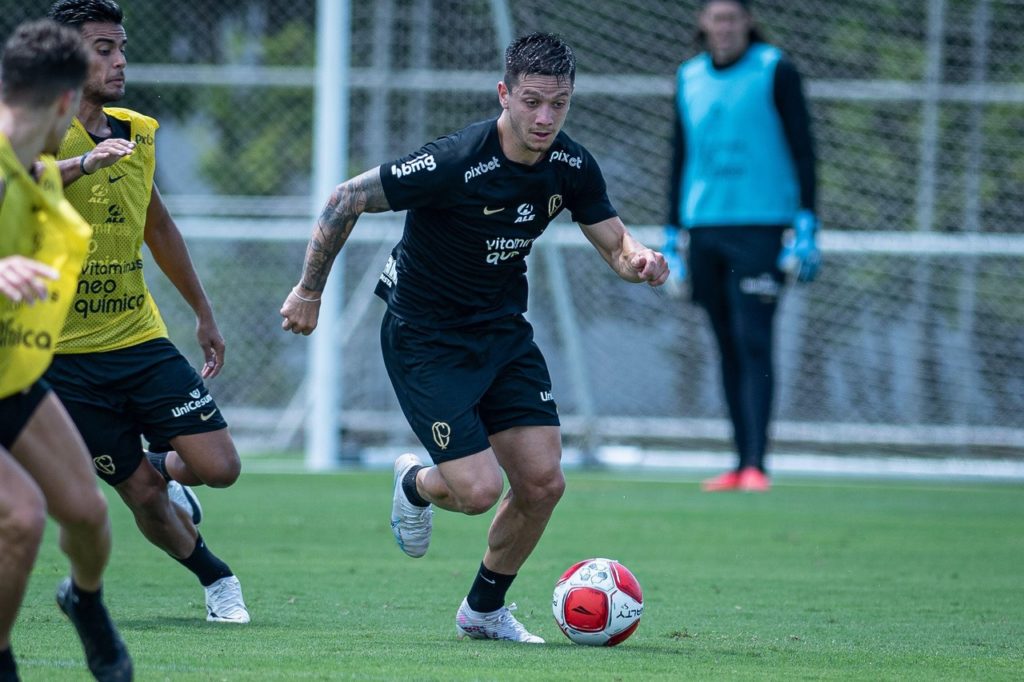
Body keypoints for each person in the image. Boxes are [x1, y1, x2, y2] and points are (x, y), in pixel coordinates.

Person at [281, 32, 668, 643]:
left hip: (503, 336)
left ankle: (483, 611)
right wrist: (308, 290)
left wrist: (642, 259)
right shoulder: (454, 161)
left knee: (543, 484)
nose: (545, 118)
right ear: (504, 94)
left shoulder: (571, 166)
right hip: (425, 339)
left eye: (558, 104)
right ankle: (414, 483)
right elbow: (347, 196)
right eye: (532, 101)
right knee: (479, 491)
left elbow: (617, 245)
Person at [44, 0, 249, 623]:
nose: (119, 60)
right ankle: (218, 581)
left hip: (139, 341)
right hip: (63, 360)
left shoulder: (135, 132)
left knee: (221, 468)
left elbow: (158, 226)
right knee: (141, 495)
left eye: (121, 47)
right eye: (103, 48)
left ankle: (161, 461)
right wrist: (82, 164)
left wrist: (204, 314)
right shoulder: (32, 130)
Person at [0, 18, 132, 681]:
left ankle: (85, 601)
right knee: (21, 516)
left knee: (86, 512)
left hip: (10, 377)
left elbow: (51, 168)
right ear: (60, 103)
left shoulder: (34, 169)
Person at [664, 0, 820, 493]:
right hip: (704, 227)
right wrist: (671, 234)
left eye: (733, 18)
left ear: (747, 22)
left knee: (755, 340)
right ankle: (738, 463)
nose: (725, 27)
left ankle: (757, 464)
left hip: (761, 226)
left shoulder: (776, 69)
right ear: (703, 24)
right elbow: (678, 156)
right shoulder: (688, 77)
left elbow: (803, 147)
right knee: (726, 343)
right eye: (716, 17)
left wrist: (808, 222)